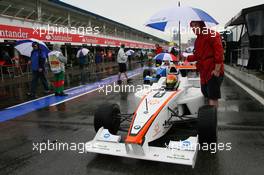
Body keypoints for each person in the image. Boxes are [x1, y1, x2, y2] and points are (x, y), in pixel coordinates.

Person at [187, 21, 224, 107]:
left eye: (195, 25)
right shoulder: (197, 40)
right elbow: (197, 56)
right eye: (192, 26)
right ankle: (208, 116)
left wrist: (217, 70)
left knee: (213, 97)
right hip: (203, 73)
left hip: (212, 71)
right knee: (206, 94)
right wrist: (186, 58)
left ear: (201, 25)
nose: (193, 28)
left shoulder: (212, 34)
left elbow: (219, 53)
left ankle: (212, 119)